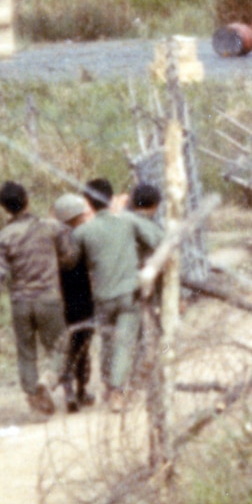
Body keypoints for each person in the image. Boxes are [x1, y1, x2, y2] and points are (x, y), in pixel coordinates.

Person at [0, 180, 76, 417]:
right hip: (48, 299)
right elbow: (69, 258)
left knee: (26, 352)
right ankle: (49, 378)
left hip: (20, 303)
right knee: (61, 346)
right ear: (27, 200)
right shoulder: (51, 228)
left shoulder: (4, 236)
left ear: (4, 208)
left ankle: (35, 397)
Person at [75, 176, 162, 412]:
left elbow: (72, 261)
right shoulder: (127, 220)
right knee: (124, 342)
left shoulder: (82, 232)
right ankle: (117, 391)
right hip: (129, 293)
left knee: (107, 341)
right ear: (111, 198)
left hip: (102, 295)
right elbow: (157, 240)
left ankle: (107, 384)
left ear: (88, 202)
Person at [52, 192, 97, 412]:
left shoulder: (51, 238)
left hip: (60, 300)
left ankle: (68, 389)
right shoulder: (83, 236)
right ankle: (81, 389)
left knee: (65, 347)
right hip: (83, 298)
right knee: (83, 345)